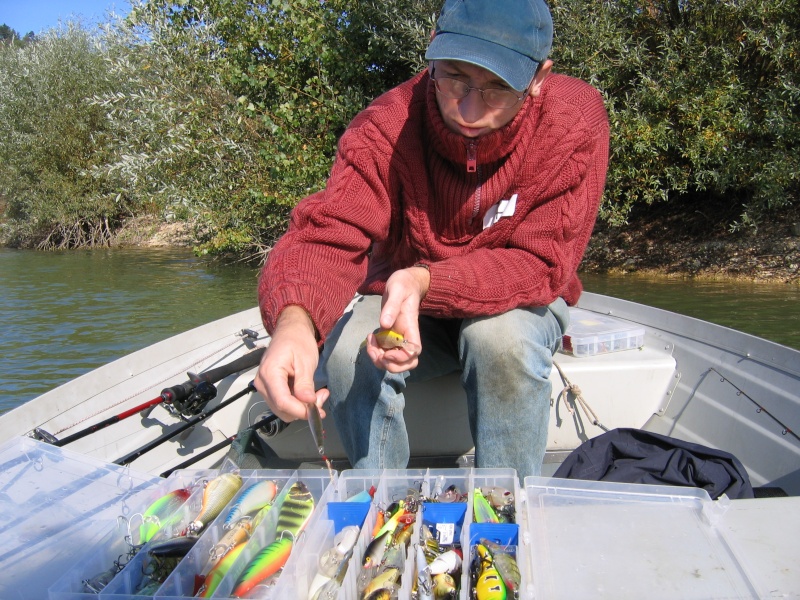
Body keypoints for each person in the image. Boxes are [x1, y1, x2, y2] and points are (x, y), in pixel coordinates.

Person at [254, 0, 609, 479]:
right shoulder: (384, 125)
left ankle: (505, 514)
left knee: (498, 341)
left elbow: (540, 262)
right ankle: (378, 512)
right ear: (432, 52)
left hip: (516, 301)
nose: (467, 107)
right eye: (454, 77)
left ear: (539, 77)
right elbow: (329, 233)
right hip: (406, 303)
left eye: (497, 87)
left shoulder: (574, 121)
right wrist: (295, 322)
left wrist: (425, 279)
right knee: (346, 356)